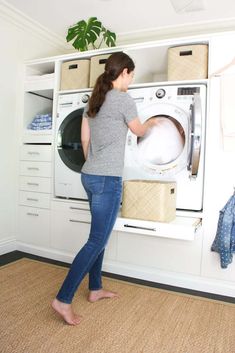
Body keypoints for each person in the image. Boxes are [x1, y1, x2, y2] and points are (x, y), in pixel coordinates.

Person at [52, 52, 158, 325]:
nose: (132, 79)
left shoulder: (96, 99)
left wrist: (93, 165)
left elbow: (85, 139)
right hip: (106, 180)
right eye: (131, 74)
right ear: (123, 72)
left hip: (89, 176)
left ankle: (95, 289)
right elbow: (138, 131)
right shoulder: (123, 99)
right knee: (96, 241)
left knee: (98, 237)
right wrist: (152, 123)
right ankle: (62, 300)